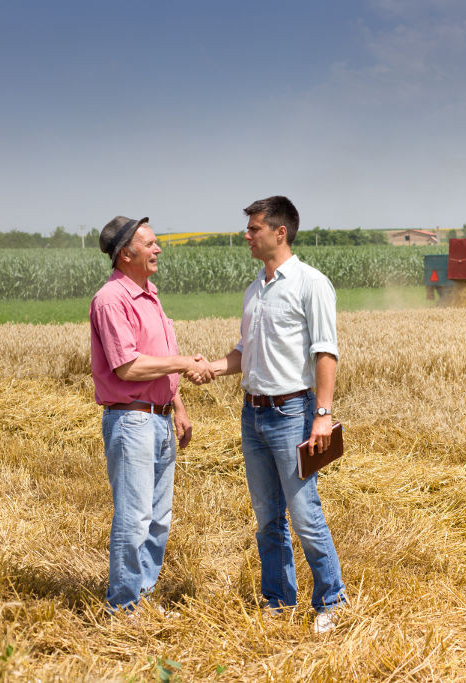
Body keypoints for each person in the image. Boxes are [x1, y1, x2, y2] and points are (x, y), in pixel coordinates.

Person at [208, 196, 347, 633]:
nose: (246, 236)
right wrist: (214, 367)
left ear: (279, 232)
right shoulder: (254, 290)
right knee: (267, 516)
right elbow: (243, 352)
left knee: (304, 513)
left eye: (254, 229)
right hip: (252, 415)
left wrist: (322, 416)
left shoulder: (311, 284)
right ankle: (279, 601)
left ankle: (332, 600)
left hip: (292, 413)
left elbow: (325, 352)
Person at [90, 215, 214, 612]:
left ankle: (140, 594)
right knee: (135, 518)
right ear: (127, 253)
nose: (158, 249)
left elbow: (156, 358)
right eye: (151, 244)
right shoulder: (112, 300)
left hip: (158, 417)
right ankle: (123, 606)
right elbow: (128, 367)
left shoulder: (149, 294)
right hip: (132, 421)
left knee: (158, 519)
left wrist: (177, 405)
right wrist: (182, 362)